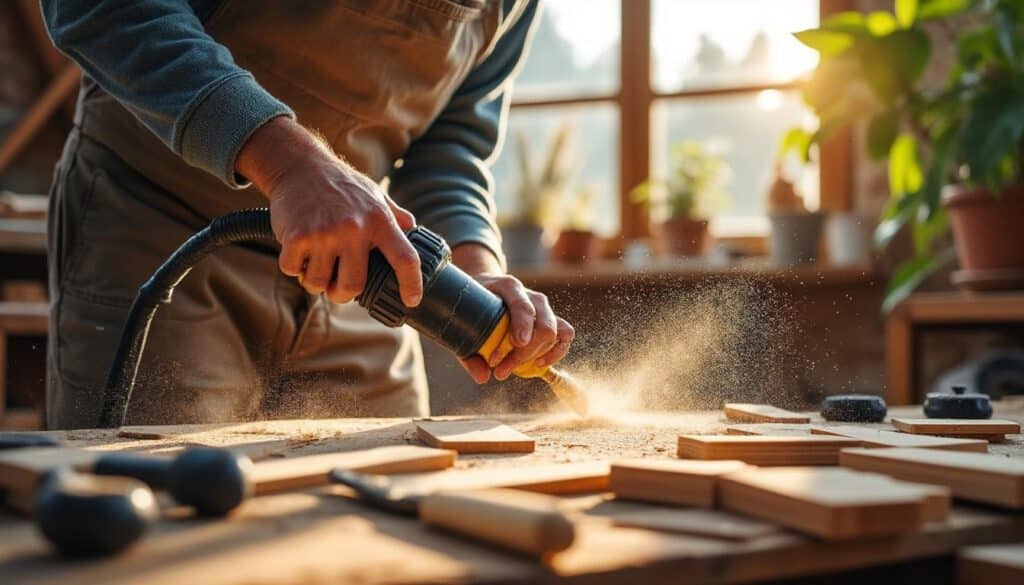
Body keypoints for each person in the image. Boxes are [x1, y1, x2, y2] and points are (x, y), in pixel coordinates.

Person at [41, 0, 574, 429]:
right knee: (162, 526)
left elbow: (449, 145)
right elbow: (104, 8)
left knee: (389, 516)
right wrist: (289, 163)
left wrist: (475, 269)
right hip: (163, 233)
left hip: (361, 277)